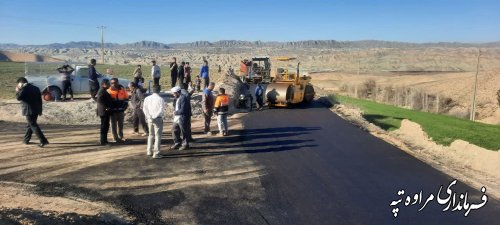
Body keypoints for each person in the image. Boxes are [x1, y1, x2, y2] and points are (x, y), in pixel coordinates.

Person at [16, 77, 49, 148]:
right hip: (36, 110)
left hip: (29, 110)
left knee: (33, 125)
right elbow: (39, 100)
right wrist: (40, 110)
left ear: (21, 83)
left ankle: (43, 140)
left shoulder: (24, 89)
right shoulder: (36, 88)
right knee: (30, 125)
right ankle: (26, 140)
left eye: (18, 84)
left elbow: (18, 98)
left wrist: (18, 90)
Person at [143, 85, 165, 159]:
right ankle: (156, 153)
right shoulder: (160, 99)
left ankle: (149, 151)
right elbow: (161, 110)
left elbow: (144, 109)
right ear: (159, 90)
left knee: (150, 135)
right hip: (157, 118)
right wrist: (155, 116)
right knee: (158, 136)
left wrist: (149, 116)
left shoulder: (147, 98)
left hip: (149, 119)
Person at [107, 78, 129, 142]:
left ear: (118, 83)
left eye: (115, 83)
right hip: (112, 111)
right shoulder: (108, 91)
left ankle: (121, 136)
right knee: (113, 125)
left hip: (121, 111)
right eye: (112, 83)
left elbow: (126, 98)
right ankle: (115, 138)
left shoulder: (122, 90)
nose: (113, 84)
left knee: (121, 125)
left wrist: (125, 107)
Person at [96, 79, 112, 145]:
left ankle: (104, 140)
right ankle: (103, 141)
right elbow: (99, 100)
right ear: (104, 84)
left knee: (105, 126)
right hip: (104, 112)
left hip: (104, 111)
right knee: (104, 126)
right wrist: (106, 107)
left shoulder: (103, 90)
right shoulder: (102, 91)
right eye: (108, 83)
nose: (109, 85)